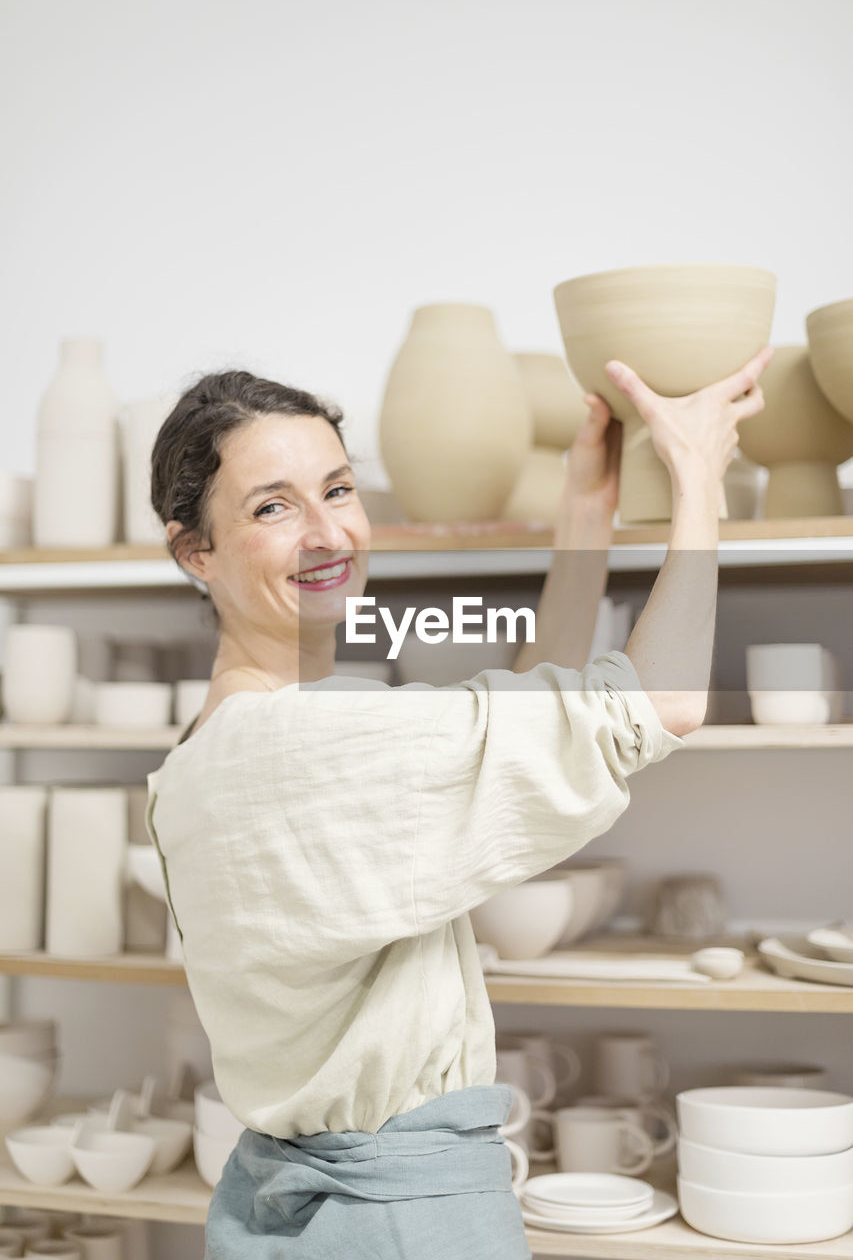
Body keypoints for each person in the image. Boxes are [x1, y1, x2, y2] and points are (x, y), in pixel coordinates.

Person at [144, 347, 770, 1259]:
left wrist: (586, 511)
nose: (326, 533)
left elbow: (517, 711)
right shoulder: (320, 740)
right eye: (273, 506)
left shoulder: (198, 764)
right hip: (398, 1228)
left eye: (339, 489)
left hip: (292, 1212)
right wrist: (697, 475)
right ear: (192, 549)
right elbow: (657, 705)